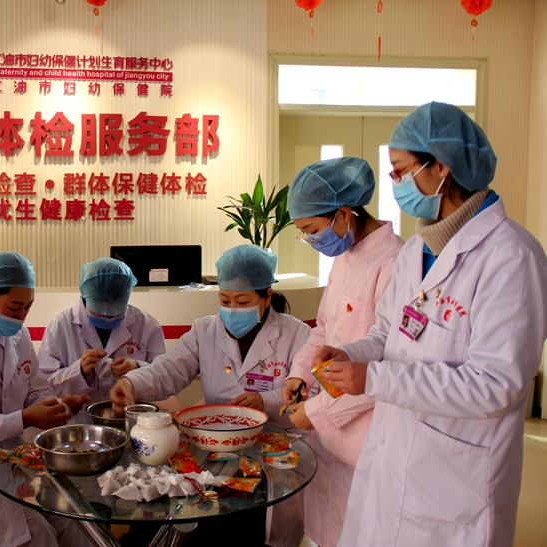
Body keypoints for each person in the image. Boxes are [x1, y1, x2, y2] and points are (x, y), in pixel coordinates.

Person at [316, 102, 547, 547]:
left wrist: (375, 379)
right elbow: (388, 334)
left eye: (401, 171)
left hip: (454, 480)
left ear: (441, 167)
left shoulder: (511, 257)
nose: (394, 182)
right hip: (392, 455)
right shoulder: (415, 251)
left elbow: (495, 385)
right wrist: (350, 354)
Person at [110, 244, 312, 547]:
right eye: (224, 300)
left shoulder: (297, 335)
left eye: (242, 302)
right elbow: (169, 369)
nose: (231, 309)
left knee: (248, 531)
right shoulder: (205, 331)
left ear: (267, 297)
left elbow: (308, 394)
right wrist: (132, 383)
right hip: (214, 447)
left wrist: (267, 401)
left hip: (274, 451)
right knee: (200, 523)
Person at [281, 157, 405, 547]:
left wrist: (316, 412)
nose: (311, 239)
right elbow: (323, 329)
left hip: (369, 437)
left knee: (362, 534)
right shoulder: (346, 259)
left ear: (344, 214)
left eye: (311, 230)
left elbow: (386, 366)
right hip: (331, 433)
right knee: (326, 533)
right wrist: (299, 374)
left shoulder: (394, 263)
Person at [0, 252, 92, 547]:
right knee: (37, 535)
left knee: (78, 522)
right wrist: (23, 419)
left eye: (28, 307)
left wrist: (56, 407)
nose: (22, 316)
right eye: (14, 307)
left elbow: (35, 387)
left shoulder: (18, 336)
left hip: (18, 461)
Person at [39, 258, 166, 408]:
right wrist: (79, 371)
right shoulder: (60, 326)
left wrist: (138, 367)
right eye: (99, 313)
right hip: (79, 419)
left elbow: (163, 377)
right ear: (86, 297)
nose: (108, 318)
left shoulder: (147, 325)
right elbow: (43, 385)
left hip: (131, 415)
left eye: (116, 313)